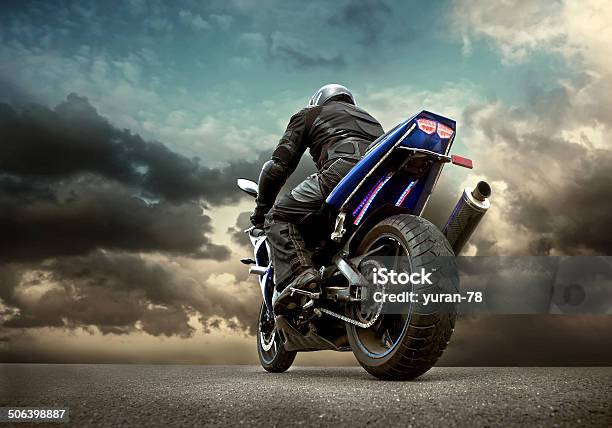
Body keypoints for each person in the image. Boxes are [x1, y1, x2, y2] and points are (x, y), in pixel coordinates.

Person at [250, 84, 384, 312]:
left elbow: (277, 167)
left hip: (341, 173)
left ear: (318, 100)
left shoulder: (309, 114)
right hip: (379, 181)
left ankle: (300, 275)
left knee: (278, 217)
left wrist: (261, 211)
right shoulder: (372, 121)